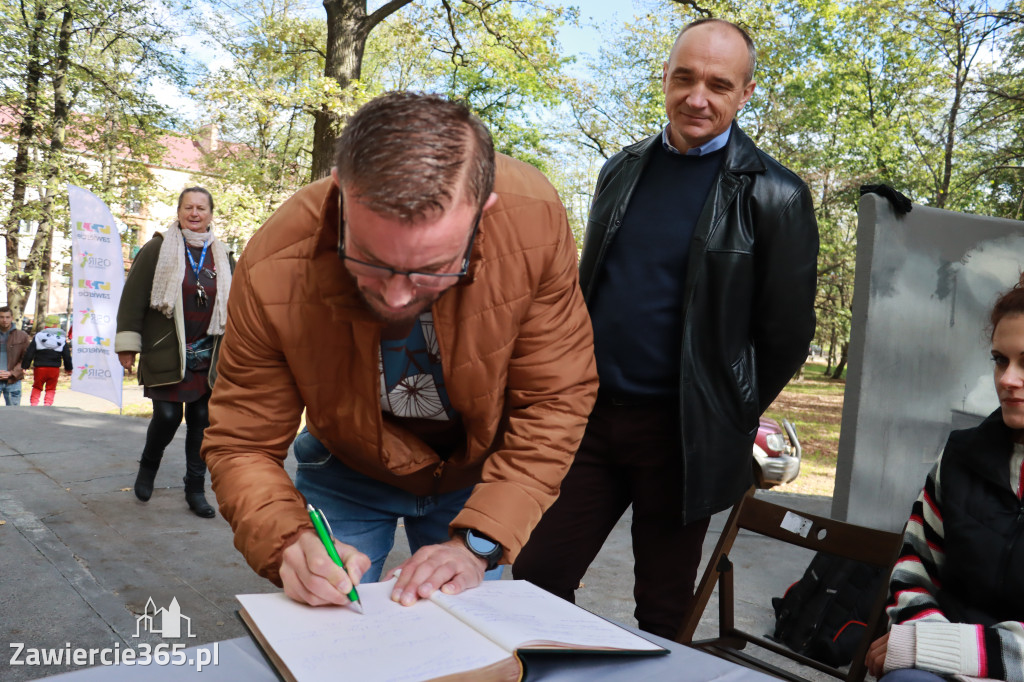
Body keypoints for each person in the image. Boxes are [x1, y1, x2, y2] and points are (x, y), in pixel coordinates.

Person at [202, 92, 597, 609]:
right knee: (327, 629)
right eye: (371, 260)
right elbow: (242, 442)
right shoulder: (277, 261)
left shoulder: (533, 222)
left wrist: (480, 542)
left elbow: (555, 400)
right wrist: (288, 539)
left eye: (432, 268)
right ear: (342, 194)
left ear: (484, 212)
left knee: (466, 646)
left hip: (476, 475)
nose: (397, 297)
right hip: (346, 464)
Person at [513, 18, 819, 640]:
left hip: (686, 438)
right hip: (590, 422)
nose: (697, 97)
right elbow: (588, 287)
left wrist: (725, 411)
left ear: (745, 93)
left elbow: (786, 333)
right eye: (684, 78)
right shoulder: (620, 170)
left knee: (662, 611)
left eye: (718, 84)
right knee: (534, 577)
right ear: (665, 79)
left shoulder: (776, 196)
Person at [866, 279, 1024, 681]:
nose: (1007, 379)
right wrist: (929, 643)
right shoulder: (959, 456)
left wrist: (931, 648)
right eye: (1000, 360)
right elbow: (913, 564)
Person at [115, 187, 234, 519]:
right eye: (188, 208)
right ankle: (148, 466)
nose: (194, 213)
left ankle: (195, 490)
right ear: (179, 211)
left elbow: (238, 306)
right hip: (166, 352)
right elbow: (133, 297)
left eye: (201, 208)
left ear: (211, 214)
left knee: (202, 421)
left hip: (208, 355)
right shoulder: (157, 248)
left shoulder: (223, 255)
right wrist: (127, 345)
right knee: (167, 417)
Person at [22, 318, 73, 405]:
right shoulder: (61, 338)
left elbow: (30, 352)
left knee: (37, 387)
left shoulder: (38, 336)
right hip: (54, 368)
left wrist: (25, 366)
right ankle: (47, 405)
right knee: (51, 388)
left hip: (40, 367)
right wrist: (68, 368)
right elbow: (66, 355)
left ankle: (34, 404)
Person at [0, 306, 31, 405]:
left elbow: (26, 359)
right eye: (1, 317)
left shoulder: (22, 336)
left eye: (7, 317)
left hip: (13, 380)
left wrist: (12, 373)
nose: (4, 320)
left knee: (13, 414)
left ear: (12, 318)